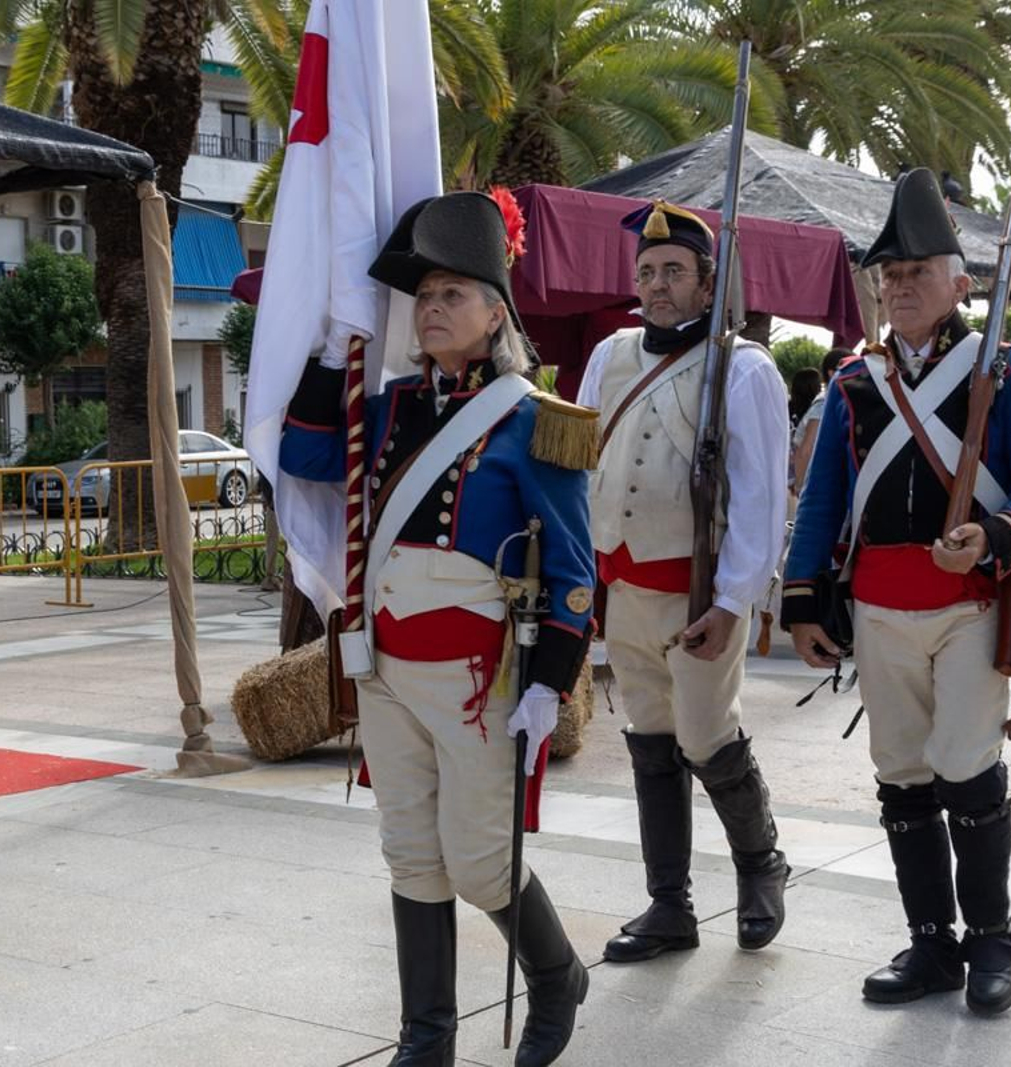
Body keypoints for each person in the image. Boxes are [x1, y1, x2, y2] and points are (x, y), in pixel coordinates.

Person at [279, 191, 597, 1067]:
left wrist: (551, 681)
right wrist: (333, 343)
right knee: (411, 853)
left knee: (482, 859)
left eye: (452, 292)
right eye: (422, 294)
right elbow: (303, 453)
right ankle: (427, 1036)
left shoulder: (535, 419)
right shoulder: (383, 409)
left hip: (479, 679)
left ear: (497, 311)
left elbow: (574, 568)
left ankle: (558, 972)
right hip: (384, 665)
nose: (430, 307)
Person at [782, 169, 1011, 1017]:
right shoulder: (853, 385)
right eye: (890, 274)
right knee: (901, 773)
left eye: (919, 270)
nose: (901, 285)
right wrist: (801, 602)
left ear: (961, 282)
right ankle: (931, 944)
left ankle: (989, 941)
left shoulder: (1005, 372)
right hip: (879, 607)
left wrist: (998, 533)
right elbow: (823, 503)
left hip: (972, 604)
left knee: (967, 766)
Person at [576, 199, 791, 965]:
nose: (658, 285)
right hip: (625, 586)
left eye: (674, 271)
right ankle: (669, 905)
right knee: (649, 741)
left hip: (699, 595)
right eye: (647, 272)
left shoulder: (745, 367)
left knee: (706, 736)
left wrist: (736, 601)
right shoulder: (612, 354)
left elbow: (761, 497)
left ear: (708, 283)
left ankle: (761, 867)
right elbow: (584, 465)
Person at [792, 348, 846, 491]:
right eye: (849, 369)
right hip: (811, 487)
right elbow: (807, 449)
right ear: (832, 373)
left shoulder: (831, 401)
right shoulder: (824, 404)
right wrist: (800, 489)